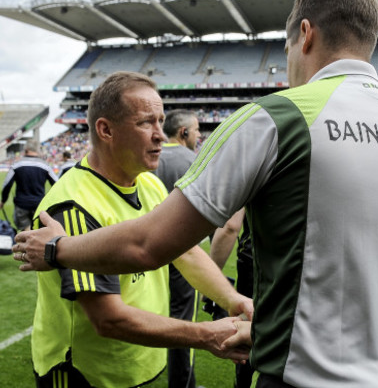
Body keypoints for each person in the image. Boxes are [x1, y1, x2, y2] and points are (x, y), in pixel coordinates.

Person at [14, 0, 378, 388]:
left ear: (305, 35)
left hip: (318, 373)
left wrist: (55, 249)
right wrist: (232, 298)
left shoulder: (278, 117)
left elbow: (150, 246)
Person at [29, 71, 252, 387]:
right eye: (146, 122)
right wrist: (205, 335)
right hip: (86, 374)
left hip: (135, 364)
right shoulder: (72, 206)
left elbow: (185, 252)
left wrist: (232, 298)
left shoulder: (149, 183)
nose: (161, 134)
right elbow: (108, 319)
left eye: (161, 121)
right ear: (106, 130)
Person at [153, 109, 202, 388]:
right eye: (196, 130)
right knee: (183, 318)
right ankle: (183, 384)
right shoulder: (195, 161)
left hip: (146, 249)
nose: (199, 136)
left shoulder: (151, 160)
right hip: (183, 253)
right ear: (183, 132)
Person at [208, 208, 254, 388]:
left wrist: (210, 286)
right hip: (305, 264)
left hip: (257, 265)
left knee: (246, 337)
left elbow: (230, 225)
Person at [0, 139, 57, 231]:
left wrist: (3, 200)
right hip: (39, 205)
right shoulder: (45, 166)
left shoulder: (17, 165)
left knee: (26, 233)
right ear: (37, 150)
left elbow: (7, 185)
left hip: (22, 205)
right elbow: (57, 183)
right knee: (37, 232)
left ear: (26, 149)